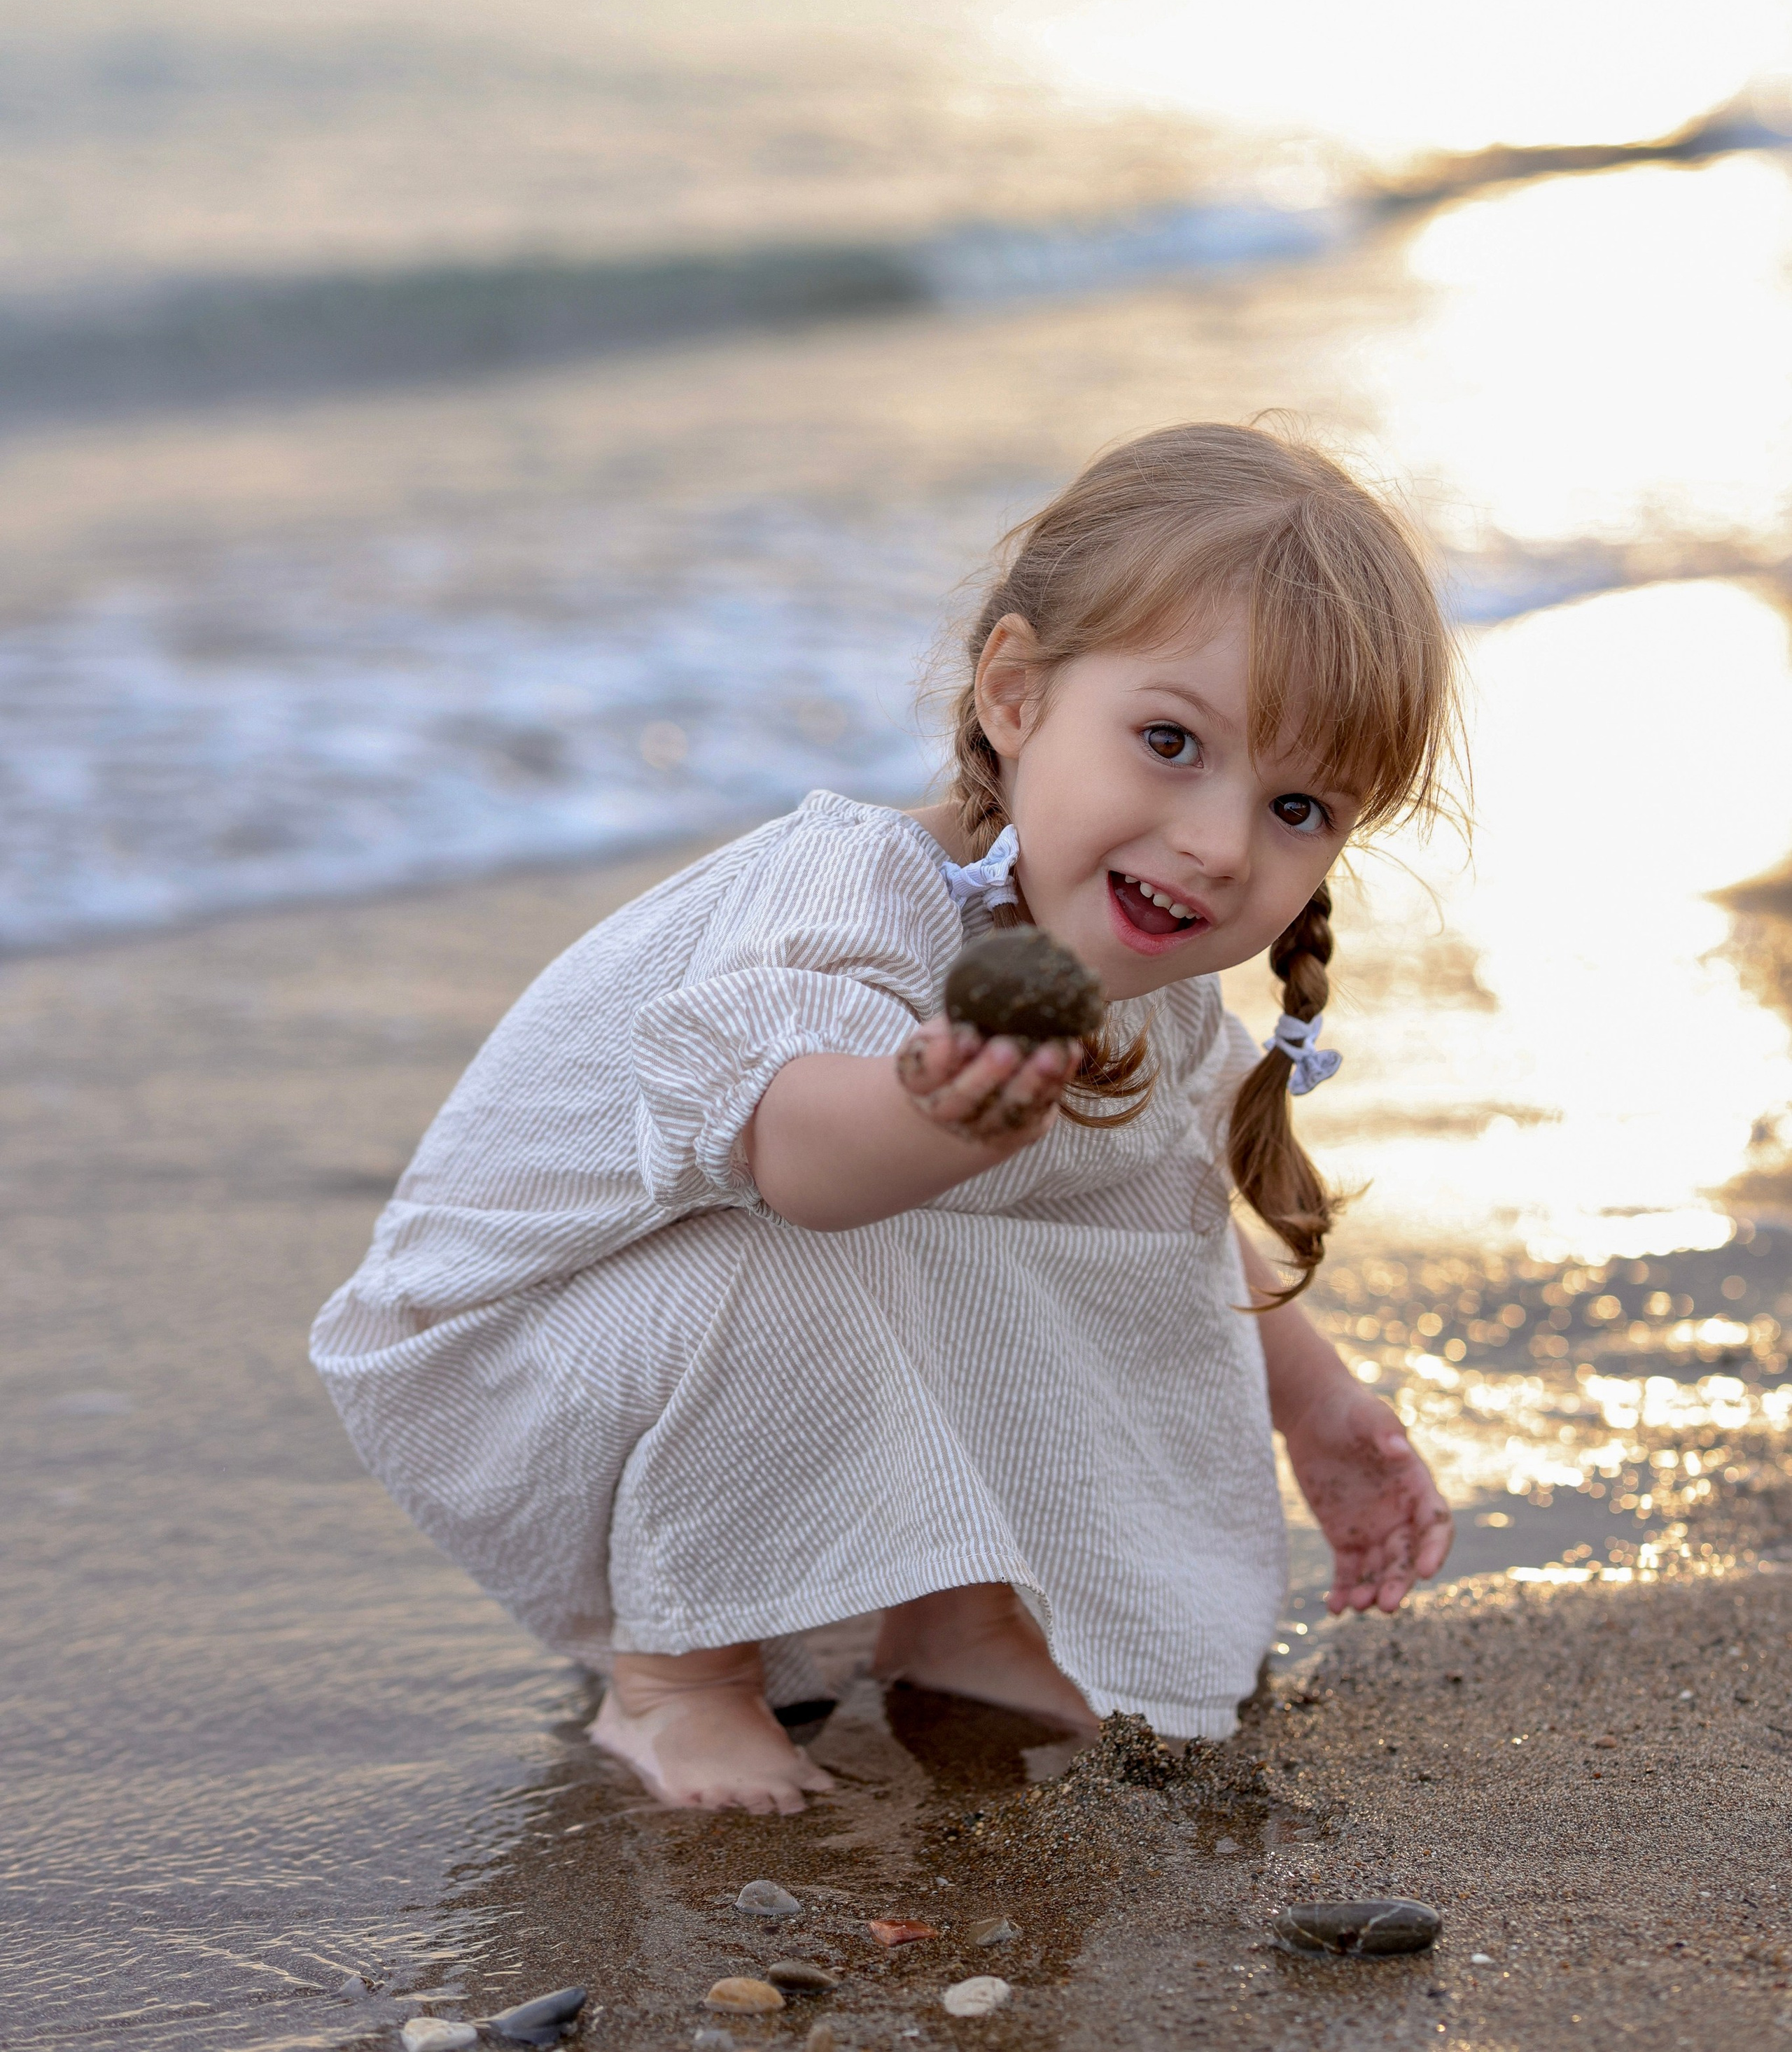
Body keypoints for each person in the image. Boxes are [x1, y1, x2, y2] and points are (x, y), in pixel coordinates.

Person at [312, 422, 1459, 1817]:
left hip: (685, 1362)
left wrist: (1321, 1405)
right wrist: (933, 1110)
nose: (1218, 844)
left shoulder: (1140, 990)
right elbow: (795, 1161)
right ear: (1014, 696)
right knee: (795, 1243)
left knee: (1054, 1236)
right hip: (506, 1354)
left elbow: (1159, 1224)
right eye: (1167, 742)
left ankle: (955, 1615)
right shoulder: (852, 899)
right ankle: (675, 1679)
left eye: (1295, 807)